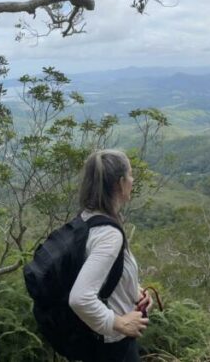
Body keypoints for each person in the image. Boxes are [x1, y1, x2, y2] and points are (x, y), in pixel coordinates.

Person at [68, 149, 154, 362]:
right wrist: (121, 323)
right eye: (131, 175)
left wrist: (135, 292)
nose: (133, 180)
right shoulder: (109, 234)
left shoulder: (88, 219)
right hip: (113, 348)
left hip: (97, 342)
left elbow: (105, 275)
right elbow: (80, 298)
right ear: (120, 183)